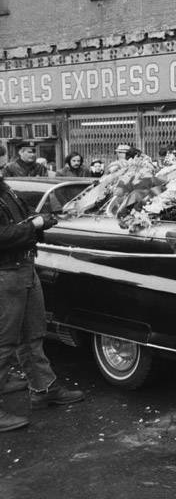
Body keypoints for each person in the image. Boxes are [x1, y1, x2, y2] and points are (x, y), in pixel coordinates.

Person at [1, 173, 85, 432]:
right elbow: (4, 235)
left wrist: (43, 221)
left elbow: (24, 218)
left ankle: (43, 388)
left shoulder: (6, 190)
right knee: (3, 342)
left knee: (33, 334)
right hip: (6, 273)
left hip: (24, 267)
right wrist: (35, 224)